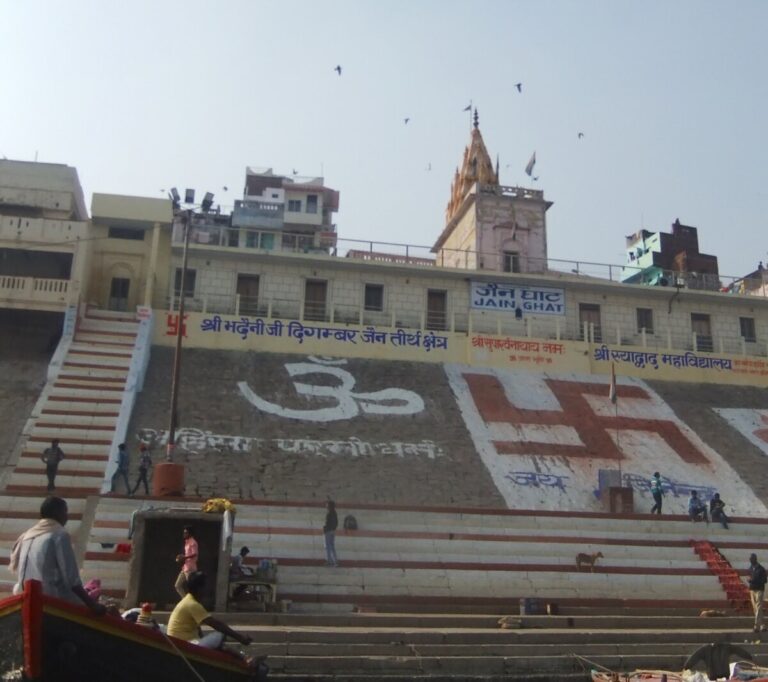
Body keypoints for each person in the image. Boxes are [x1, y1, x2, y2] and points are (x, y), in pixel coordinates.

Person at [9, 496, 106, 615]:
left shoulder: (26, 536)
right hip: (53, 602)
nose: (67, 516)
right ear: (57, 513)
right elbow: (72, 580)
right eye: (65, 512)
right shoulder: (59, 535)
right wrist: (93, 605)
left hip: (26, 598)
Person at [167, 571, 253, 650]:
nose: (208, 589)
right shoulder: (192, 604)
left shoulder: (189, 600)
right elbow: (216, 624)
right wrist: (240, 638)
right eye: (205, 586)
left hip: (184, 642)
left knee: (217, 641)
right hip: (183, 644)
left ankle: (242, 658)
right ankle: (244, 661)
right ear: (199, 588)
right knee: (220, 634)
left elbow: (198, 628)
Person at [174, 526, 199, 598]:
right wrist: (182, 557)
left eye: (186, 533)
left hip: (190, 568)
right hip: (185, 567)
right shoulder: (187, 542)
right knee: (177, 585)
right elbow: (188, 554)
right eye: (184, 533)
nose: (184, 534)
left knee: (191, 587)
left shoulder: (193, 542)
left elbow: (195, 554)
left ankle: (192, 603)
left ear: (190, 533)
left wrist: (184, 557)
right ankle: (185, 601)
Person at [749, 553, 767, 633]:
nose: (750, 560)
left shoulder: (761, 569)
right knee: (756, 609)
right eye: (750, 559)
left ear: (755, 559)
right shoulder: (750, 568)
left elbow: (764, 580)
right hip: (752, 590)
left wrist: (753, 580)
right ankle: (763, 626)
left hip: (759, 590)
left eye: (751, 559)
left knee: (759, 607)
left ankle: (756, 626)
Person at [323, 500, 339, 567]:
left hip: (328, 531)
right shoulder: (335, 513)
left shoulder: (329, 513)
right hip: (332, 531)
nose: (326, 505)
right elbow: (336, 522)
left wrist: (325, 528)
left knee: (328, 546)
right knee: (332, 546)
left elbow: (328, 523)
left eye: (327, 504)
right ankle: (334, 561)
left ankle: (331, 561)